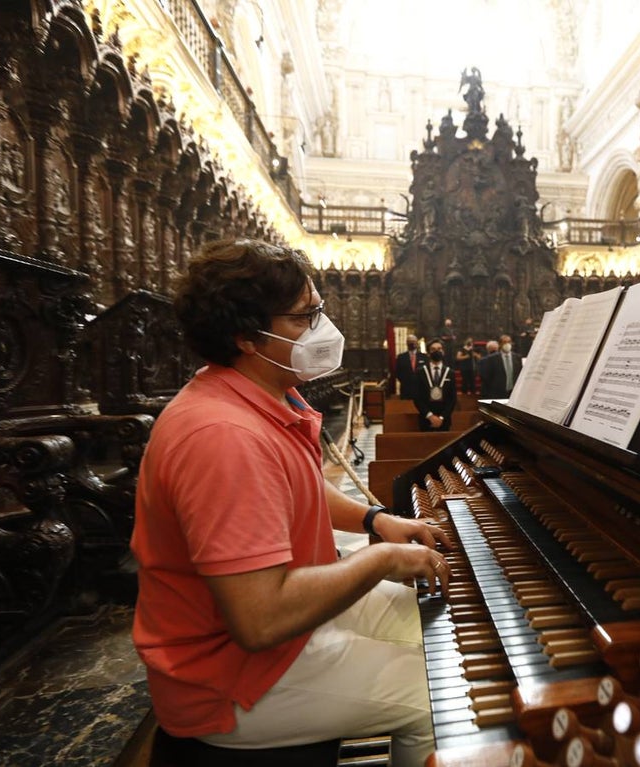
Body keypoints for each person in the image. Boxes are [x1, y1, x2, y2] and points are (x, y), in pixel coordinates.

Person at [131, 240, 451, 767]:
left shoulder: (258, 393)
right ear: (246, 337)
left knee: (435, 625)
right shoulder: (222, 435)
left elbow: (297, 486)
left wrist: (375, 520)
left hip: (276, 634)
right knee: (436, 695)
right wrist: (382, 559)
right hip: (226, 677)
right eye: (306, 317)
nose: (322, 328)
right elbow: (260, 620)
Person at [413, 339, 457, 431]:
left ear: (443, 352)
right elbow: (417, 398)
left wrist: (441, 417)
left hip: (444, 420)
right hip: (426, 419)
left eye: (439, 349)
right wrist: (430, 416)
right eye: (433, 349)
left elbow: (452, 399)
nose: (437, 351)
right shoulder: (420, 372)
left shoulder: (450, 373)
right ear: (428, 353)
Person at [479, 334, 523, 398]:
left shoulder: (517, 358)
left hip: (513, 393)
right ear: (500, 344)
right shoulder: (491, 359)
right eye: (504, 342)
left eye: (509, 342)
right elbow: (487, 376)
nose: (507, 344)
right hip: (497, 393)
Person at [393, 335, 426, 399]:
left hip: (421, 389)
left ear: (417, 342)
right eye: (410, 341)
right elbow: (397, 373)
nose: (412, 343)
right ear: (407, 343)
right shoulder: (401, 357)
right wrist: (405, 381)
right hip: (406, 389)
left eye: (413, 341)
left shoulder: (424, 357)